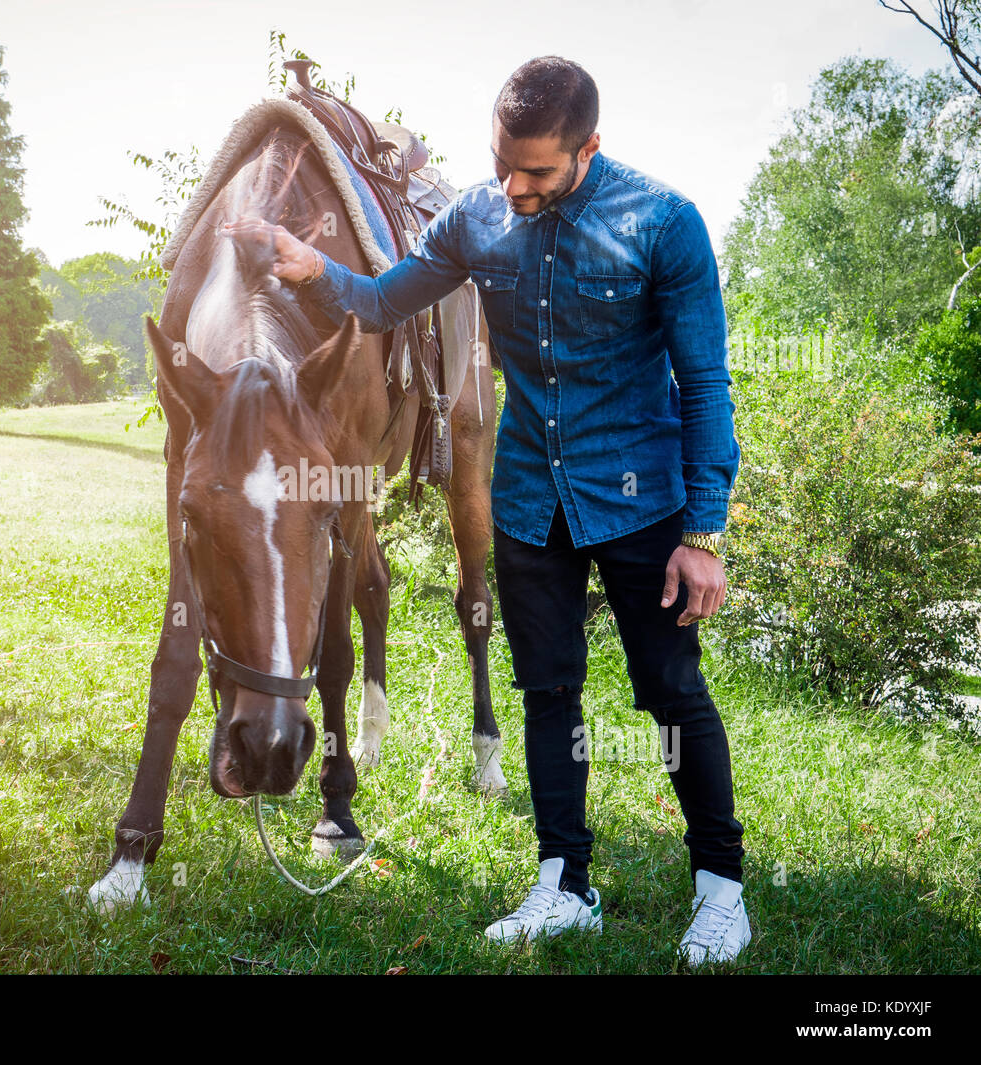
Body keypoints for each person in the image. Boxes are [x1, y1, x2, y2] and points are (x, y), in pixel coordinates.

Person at [224, 56, 750, 966]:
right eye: (503, 164)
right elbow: (386, 300)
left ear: (590, 148)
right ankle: (564, 881)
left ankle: (720, 887)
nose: (515, 187)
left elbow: (704, 380)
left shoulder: (664, 224)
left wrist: (702, 531)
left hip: (639, 503)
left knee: (669, 690)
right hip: (527, 503)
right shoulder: (477, 216)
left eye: (537, 172)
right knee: (547, 692)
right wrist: (314, 271)